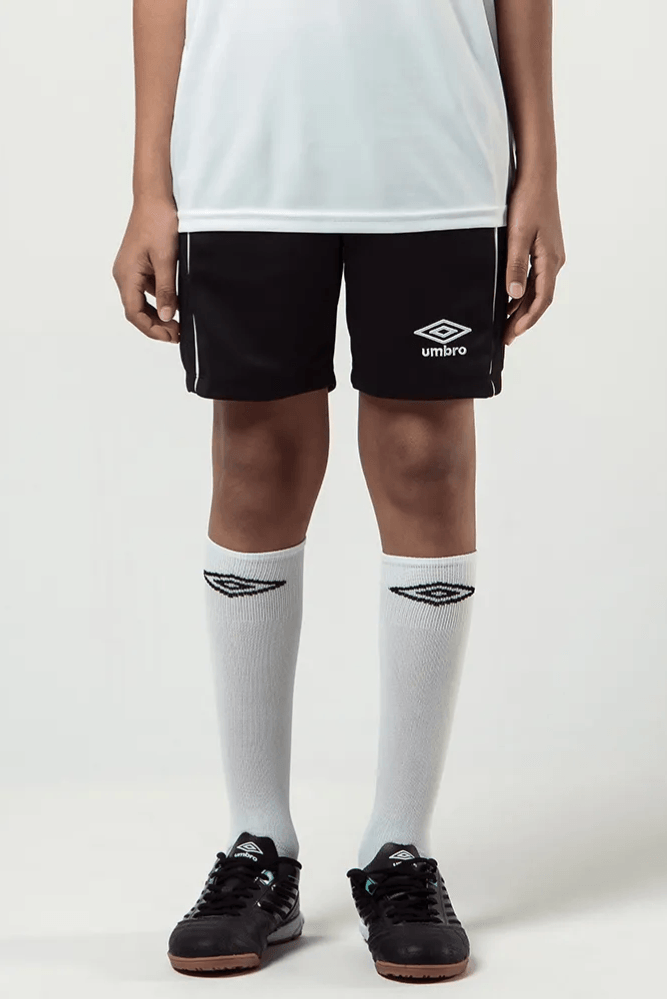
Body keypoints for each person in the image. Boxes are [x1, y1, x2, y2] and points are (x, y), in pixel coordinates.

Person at [113, 0, 565, 982]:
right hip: (243, 154)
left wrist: (539, 170)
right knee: (255, 460)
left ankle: (400, 846)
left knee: (424, 459)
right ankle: (257, 844)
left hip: (437, 153)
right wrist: (150, 184)